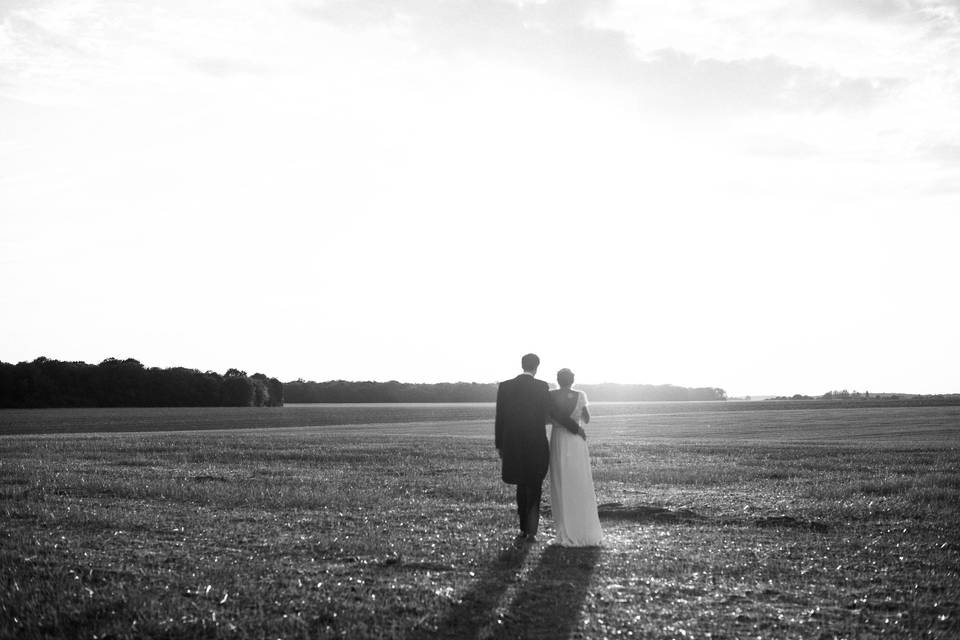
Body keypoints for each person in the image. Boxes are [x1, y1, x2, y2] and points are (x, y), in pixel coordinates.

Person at [495, 353, 580, 545]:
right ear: (536, 367)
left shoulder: (505, 386)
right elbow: (553, 412)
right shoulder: (541, 386)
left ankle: (523, 529)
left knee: (520, 484)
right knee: (534, 486)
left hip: (513, 445)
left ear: (522, 364)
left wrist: (500, 444)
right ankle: (531, 531)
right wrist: (574, 427)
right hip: (535, 444)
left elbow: (499, 418)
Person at [548, 368, 602, 546]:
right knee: (579, 479)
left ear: (557, 380)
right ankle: (583, 525)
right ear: (572, 381)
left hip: (558, 437)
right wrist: (577, 418)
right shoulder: (581, 395)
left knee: (561, 479)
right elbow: (587, 419)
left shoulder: (551, 395)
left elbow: (548, 418)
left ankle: (564, 528)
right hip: (576, 440)